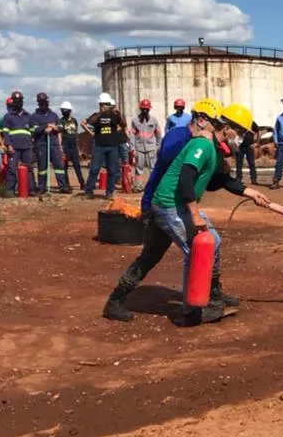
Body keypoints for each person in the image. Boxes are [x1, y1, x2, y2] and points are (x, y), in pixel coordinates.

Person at [104, 100, 269, 325]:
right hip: (165, 204)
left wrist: (249, 192)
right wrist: (193, 214)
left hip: (173, 203)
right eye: (239, 132)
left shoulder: (209, 146)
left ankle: (210, 294)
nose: (240, 138)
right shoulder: (191, 141)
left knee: (211, 242)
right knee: (196, 250)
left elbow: (216, 181)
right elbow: (184, 177)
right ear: (224, 126)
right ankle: (191, 311)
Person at [83, 93, 126, 199]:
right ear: (100, 104)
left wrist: (119, 114)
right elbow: (89, 122)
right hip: (99, 146)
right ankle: (89, 191)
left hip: (113, 146)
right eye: (102, 104)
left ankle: (109, 192)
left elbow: (123, 125)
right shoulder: (96, 116)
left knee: (112, 170)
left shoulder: (115, 115)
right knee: (94, 169)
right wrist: (99, 114)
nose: (104, 106)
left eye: (106, 104)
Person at [0, 91, 38, 195]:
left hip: (27, 147)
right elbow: (5, 132)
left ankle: (30, 190)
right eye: (16, 101)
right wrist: (8, 145)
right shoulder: (8, 116)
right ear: (13, 102)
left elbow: (32, 131)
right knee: (12, 169)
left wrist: (31, 141)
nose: (18, 103)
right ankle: (10, 190)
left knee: (29, 169)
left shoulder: (28, 116)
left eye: (20, 101)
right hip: (14, 147)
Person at [31, 92, 68, 193]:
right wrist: (45, 127)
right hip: (41, 144)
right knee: (42, 167)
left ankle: (63, 186)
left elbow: (61, 127)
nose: (44, 105)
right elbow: (34, 130)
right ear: (39, 103)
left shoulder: (53, 115)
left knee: (59, 166)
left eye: (45, 102)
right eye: (42, 103)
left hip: (53, 144)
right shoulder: (34, 116)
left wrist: (54, 128)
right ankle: (42, 187)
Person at [130, 98, 163, 191]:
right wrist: (133, 149)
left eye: (147, 109)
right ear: (140, 109)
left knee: (153, 168)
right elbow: (132, 135)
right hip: (139, 149)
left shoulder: (153, 120)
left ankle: (153, 186)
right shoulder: (135, 121)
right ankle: (138, 186)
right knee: (138, 169)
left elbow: (158, 134)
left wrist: (158, 146)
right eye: (143, 109)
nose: (145, 111)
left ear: (149, 109)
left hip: (151, 149)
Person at [58, 101, 85, 191]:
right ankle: (66, 184)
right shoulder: (61, 121)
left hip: (73, 146)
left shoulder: (74, 120)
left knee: (77, 166)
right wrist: (60, 147)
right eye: (63, 110)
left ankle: (82, 183)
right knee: (64, 167)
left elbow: (76, 134)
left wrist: (79, 147)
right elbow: (59, 134)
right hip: (65, 145)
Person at [235, 119, 259, 184]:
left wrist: (256, 142)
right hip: (239, 145)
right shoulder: (238, 122)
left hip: (249, 146)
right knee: (239, 163)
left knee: (251, 163)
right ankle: (239, 177)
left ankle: (253, 179)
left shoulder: (252, 123)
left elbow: (257, 131)